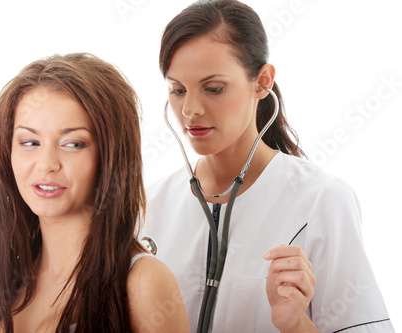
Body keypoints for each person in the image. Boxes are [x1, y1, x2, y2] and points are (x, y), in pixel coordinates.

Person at [142, 0, 394, 332]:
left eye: (213, 89)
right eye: (177, 90)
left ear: (262, 82)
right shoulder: (148, 206)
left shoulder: (321, 201)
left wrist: (294, 324)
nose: (190, 109)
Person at [0, 53, 189, 333]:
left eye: (73, 144)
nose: (47, 164)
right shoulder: (8, 279)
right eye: (30, 141)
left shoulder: (143, 283)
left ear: (111, 156)